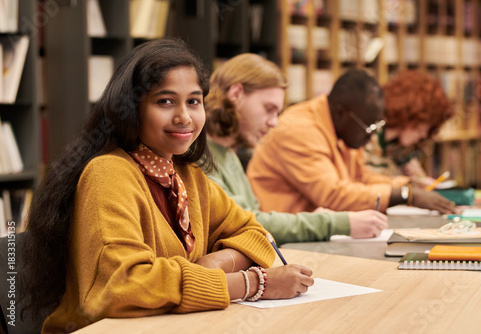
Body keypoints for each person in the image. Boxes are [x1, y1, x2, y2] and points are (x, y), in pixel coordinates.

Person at [19, 39, 314, 333]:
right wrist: (253, 283)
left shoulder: (187, 176)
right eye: (165, 101)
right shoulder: (108, 174)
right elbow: (127, 285)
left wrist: (215, 264)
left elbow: (257, 234)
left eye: (194, 101)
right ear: (132, 109)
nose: (184, 117)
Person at [204, 53, 388, 245]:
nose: (274, 122)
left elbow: (252, 218)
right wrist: (334, 223)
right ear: (236, 94)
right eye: (269, 109)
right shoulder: (200, 156)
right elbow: (248, 225)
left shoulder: (227, 153)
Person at [247, 69, 458, 215]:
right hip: (281, 241)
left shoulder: (342, 130)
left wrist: (406, 185)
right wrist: (404, 195)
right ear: (341, 113)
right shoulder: (299, 130)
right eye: (369, 126)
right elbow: (333, 195)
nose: (371, 136)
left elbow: (360, 178)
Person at [364, 70, 454, 187]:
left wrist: (421, 180)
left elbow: (420, 179)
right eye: (421, 128)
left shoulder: (400, 149)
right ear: (409, 116)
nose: (423, 135)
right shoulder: (367, 138)